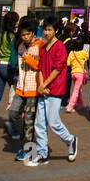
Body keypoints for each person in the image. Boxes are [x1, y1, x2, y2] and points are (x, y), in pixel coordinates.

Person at [28, 19, 77, 166]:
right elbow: (41, 68)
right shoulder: (42, 48)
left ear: (55, 30)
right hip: (45, 89)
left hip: (55, 89)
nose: (47, 32)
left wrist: (45, 84)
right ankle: (42, 153)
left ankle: (70, 140)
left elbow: (57, 69)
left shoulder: (60, 46)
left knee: (53, 121)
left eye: (50, 29)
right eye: (45, 29)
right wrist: (41, 86)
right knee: (39, 123)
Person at [7, 19, 41, 157]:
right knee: (13, 112)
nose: (25, 37)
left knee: (29, 119)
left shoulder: (40, 46)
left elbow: (40, 66)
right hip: (21, 87)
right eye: (23, 34)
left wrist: (29, 58)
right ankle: (26, 135)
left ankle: (28, 149)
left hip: (33, 89)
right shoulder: (21, 46)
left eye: (28, 34)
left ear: (33, 33)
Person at [64, 23, 89, 113]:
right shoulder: (83, 53)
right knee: (76, 90)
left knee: (78, 89)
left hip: (73, 73)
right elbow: (88, 57)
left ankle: (81, 104)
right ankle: (70, 107)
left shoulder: (71, 53)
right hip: (80, 73)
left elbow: (68, 63)